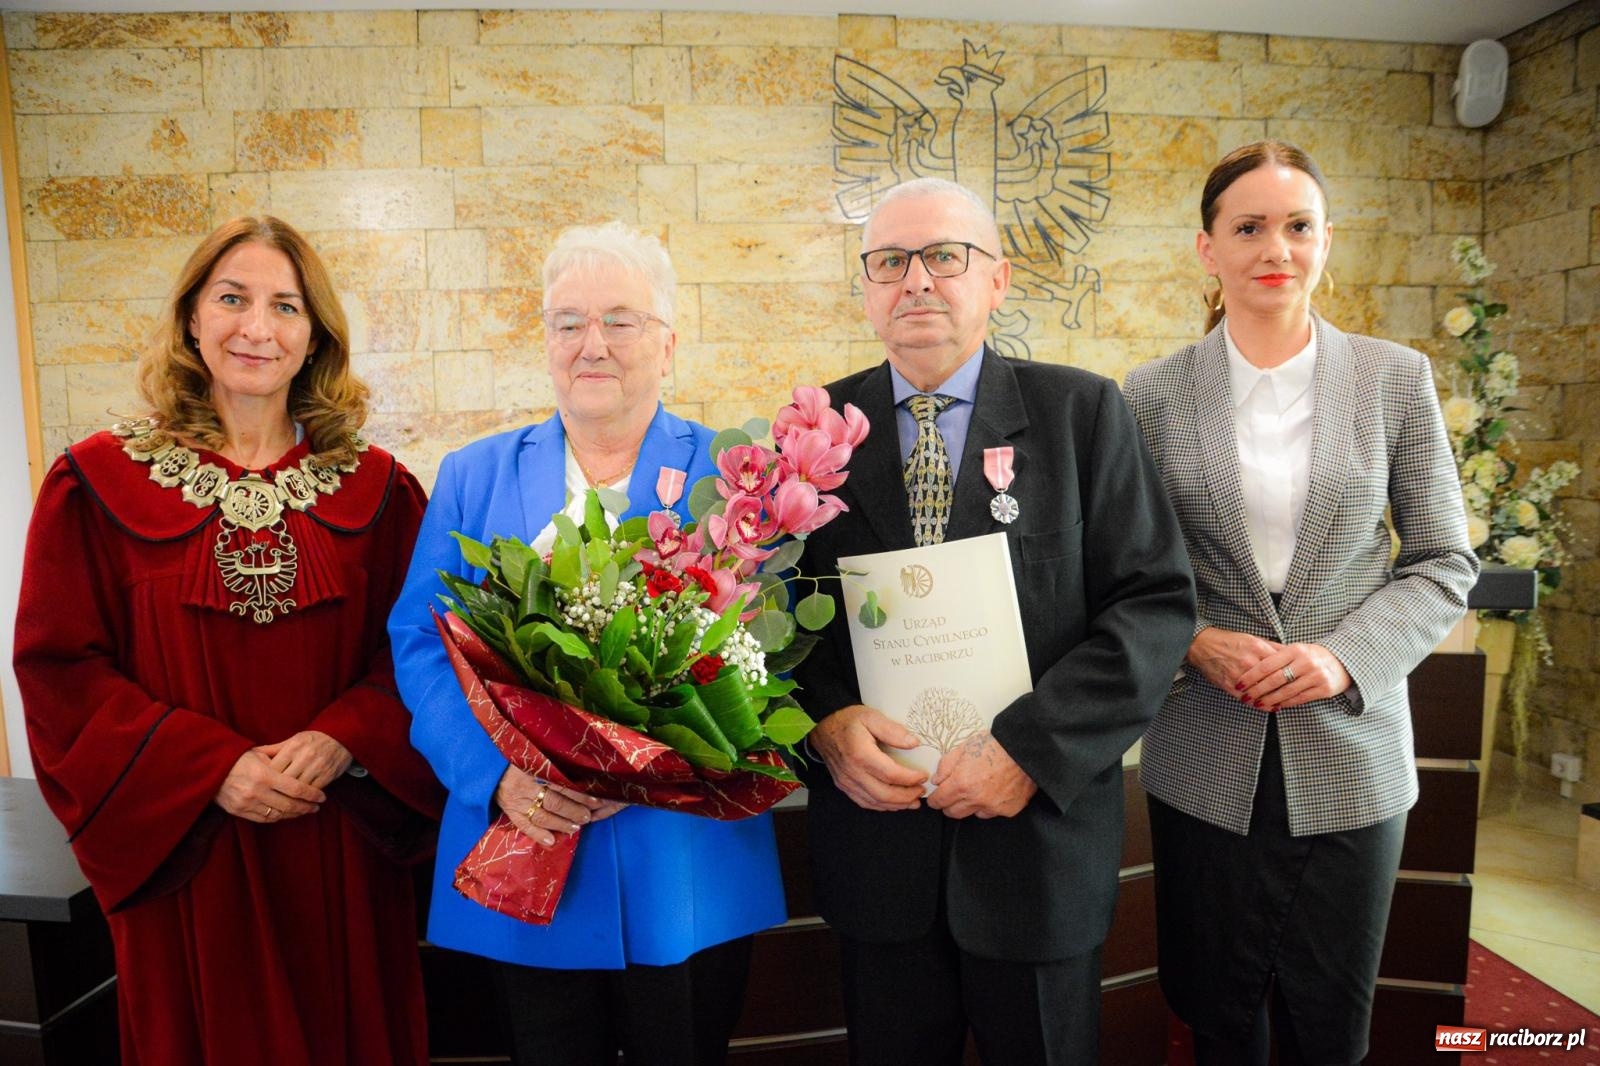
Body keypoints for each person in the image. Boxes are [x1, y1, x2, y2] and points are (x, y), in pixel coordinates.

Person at [13, 216, 444, 1065]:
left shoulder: (381, 491)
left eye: (285, 306)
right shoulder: (93, 485)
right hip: (189, 858)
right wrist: (210, 767)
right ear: (191, 318)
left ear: (315, 335)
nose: (257, 328)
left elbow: (423, 655)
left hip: (340, 849)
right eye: (232, 299)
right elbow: (60, 672)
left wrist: (345, 737)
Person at [790, 177, 1196, 1065]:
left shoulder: (1082, 414)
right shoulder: (813, 436)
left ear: (998, 279)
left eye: (944, 256)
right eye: (889, 261)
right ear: (866, 287)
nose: (916, 281)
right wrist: (823, 726)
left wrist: (1029, 751)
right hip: (878, 853)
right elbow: (775, 626)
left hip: (1037, 857)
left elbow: (1154, 605)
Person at [388, 220, 785, 1066]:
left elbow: (772, 655)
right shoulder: (473, 475)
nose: (592, 344)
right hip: (529, 841)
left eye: (620, 320)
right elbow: (418, 642)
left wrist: (652, 762)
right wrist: (494, 775)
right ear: (546, 341)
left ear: (668, 344)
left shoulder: (733, 477)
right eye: (568, 322)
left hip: (681, 860)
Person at [1123, 141, 1480, 1066]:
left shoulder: (1395, 378)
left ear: (1326, 241)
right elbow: (1124, 572)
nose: (1274, 248)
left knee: (1331, 1023)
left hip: (1353, 749)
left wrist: (1342, 657)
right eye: (1248, 227)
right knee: (1218, 1014)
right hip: (1206, 745)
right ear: (1208, 248)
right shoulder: (1152, 393)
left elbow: (1443, 561)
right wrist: (1195, 640)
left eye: (1298, 226)